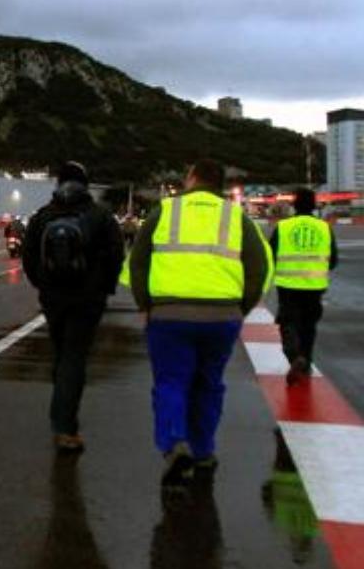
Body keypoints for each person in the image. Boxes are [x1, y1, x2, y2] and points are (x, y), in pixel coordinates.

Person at [123, 159, 273, 489]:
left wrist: (144, 305)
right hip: (222, 318)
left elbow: (138, 261)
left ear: (191, 178)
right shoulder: (237, 216)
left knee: (171, 382)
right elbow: (259, 268)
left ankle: (175, 444)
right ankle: (203, 450)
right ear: (219, 184)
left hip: (169, 316)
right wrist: (240, 309)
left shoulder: (165, 211)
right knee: (208, 385)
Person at [21, 162, 125, 452]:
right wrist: (104, 288)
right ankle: (65, 427)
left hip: (53, 298)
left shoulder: (43, 216)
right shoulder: (100, 216)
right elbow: (117, 255)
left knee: (61, 351)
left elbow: (29, 258)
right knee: (74, 357)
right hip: (86, 299)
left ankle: (61, 410)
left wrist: (42, 286)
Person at [270, 188, 337, 385]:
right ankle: (306, 364)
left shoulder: (283, 227)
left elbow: (270, 255)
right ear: (314, 206)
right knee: (309, 327)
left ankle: (294, 357)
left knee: (288, 323)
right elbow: (333, 260)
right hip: (315, 287)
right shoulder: (324, 228)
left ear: (294, 206)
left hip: (288, 286)